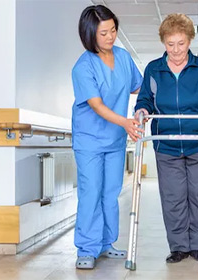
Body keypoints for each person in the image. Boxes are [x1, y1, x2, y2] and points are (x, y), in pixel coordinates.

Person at [135, 13, 198, 264]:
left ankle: (197, 245)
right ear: (163, 43)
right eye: (170, 44)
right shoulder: (154, 69)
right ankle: (178, 246)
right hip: (167, 143)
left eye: (181, 43)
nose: (176, 50)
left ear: (190, 40)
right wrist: (142, 111)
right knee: (173, 196)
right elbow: (145, 99)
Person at [71, 5, 143, 270]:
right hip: (89, 139)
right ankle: (87, 248)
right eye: (104, 33)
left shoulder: (123, 58)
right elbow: (97, 105)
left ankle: (105, 243)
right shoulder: (83, 66)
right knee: (91, 192)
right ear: (90, 34)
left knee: (111, 192)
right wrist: (126, 122)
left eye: (113, 30)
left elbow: (138, 85)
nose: (110, 37)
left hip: (114, 140)